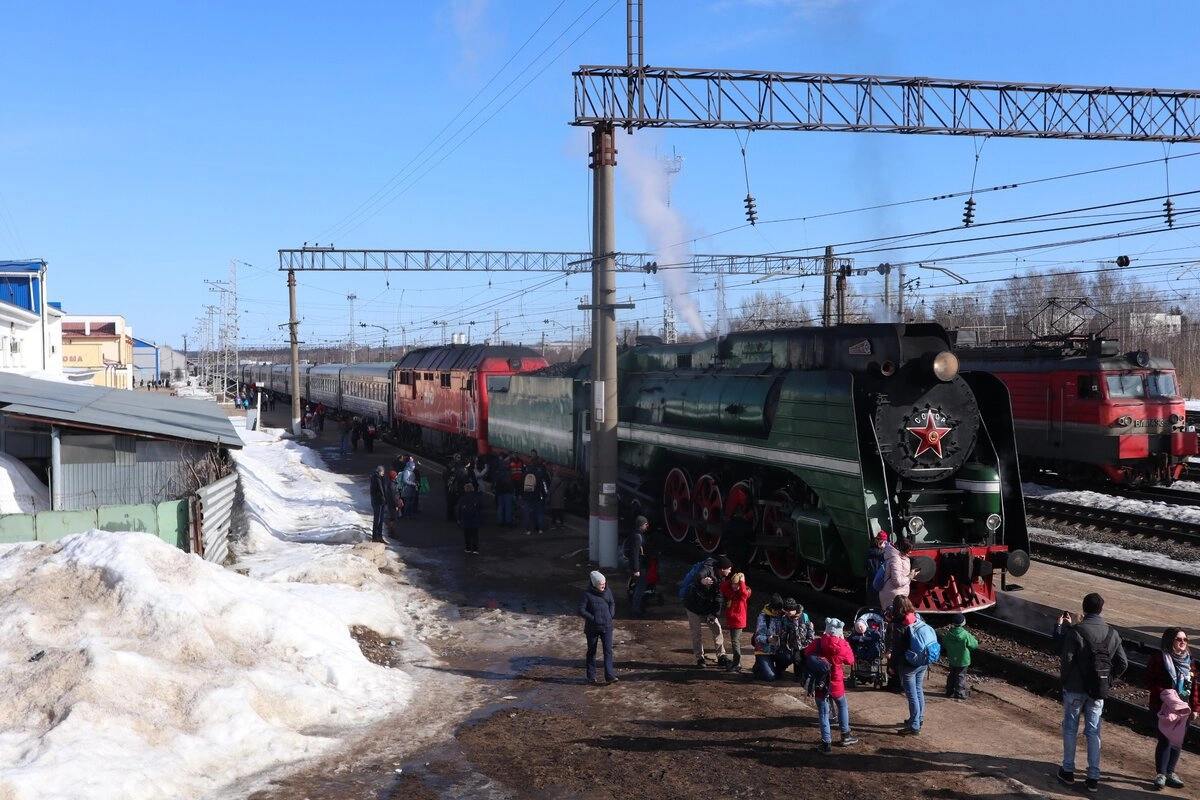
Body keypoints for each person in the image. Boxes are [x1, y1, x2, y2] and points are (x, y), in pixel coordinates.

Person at [1054, 592, 1129, 792]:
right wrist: (1108, 680)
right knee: (1094, 731)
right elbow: (1123, 663)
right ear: (1101, 610)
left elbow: (1067, 660)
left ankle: (1068, 771)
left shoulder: (1076, 632)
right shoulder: (1112, 633)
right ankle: (1093, 777)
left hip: (1075, 689)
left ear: (1084, 608)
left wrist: (1065, 681)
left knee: (1070, 729)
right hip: (1098, 690)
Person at [1143, 626, 1196, 791]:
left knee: (1177, 741)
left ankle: (1171, 772)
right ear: (1170, 641)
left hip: (1183, 707)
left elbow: (1194, 685)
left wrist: (1195, 707)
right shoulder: (1159, 658)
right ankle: (1161, 773)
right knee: (1165, 740)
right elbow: (1148, 680)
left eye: (1185, 639)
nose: (1182, 642)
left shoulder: (1189, 660)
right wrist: (1164, 693)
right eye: (1178, 639)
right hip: (1162, 706)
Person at [804, 617, 859, 754]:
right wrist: (844, 642)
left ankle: (826, 744)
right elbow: (850, 661)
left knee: (823, 713)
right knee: (842, 706)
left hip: (821, 682)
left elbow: (806, 653)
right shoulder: (843, 645)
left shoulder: (818, 643)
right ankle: (845, 735)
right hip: (836, 682)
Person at [682, 555, 732, 668]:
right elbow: (698, 576)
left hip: (707, 607)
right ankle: (700, 658)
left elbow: (719, 597)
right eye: (729, 569)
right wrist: (702, 581)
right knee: (696, 633)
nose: (730, 571)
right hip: (693, 606)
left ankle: (721, 655)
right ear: (722, 569)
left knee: (717, 629)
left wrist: (714, 614)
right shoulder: (707, 568)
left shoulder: (722, 579)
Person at [578, 571, 617, 686]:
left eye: (604, 583)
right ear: (595, 584)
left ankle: (610, 676)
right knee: (591, 651)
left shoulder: (607, 591)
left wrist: (611, 614)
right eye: (601, 584)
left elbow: (612, 602)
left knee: (608, 651)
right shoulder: (587, 595)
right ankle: (591, 676)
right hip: (592, 628)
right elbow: (581, 610)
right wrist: (593, 618)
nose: (604, 586)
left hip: (607, 626)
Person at [718, 568, 752, 673]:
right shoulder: (732, 593)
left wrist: (741, 582)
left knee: (735, 641)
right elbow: (722, 587)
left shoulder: (743, 594)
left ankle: (737, 663)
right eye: (733, 584)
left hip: (738, 622)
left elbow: (744, 593)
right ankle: (736, 662)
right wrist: (730, 580)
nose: (734, 586)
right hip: (732, 621)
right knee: (734, 641)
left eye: (736, 584)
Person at [942, 612, 978, 700]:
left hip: (952, 658)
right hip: (963, 660)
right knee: (960, 676)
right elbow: (974, 645)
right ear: (963, 623)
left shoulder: (949, 634)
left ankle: (949, 691)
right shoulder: (965, 634)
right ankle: (960, 693)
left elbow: (944, 643)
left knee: (951, 674)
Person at [878, 536, 915, 611]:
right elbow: (897, 582)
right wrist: (909, 577)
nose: (910, 552)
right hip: (893, 596)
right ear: (902, 549)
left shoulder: (899, 557)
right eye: (909, 550)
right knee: (894, 616)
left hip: (897, 594)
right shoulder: (896, 560)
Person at [626, 515, 651, 617]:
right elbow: (635, 554)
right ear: (641, 525)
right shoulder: (637, 537)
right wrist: (636, 569)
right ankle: (636, 609)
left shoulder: (637, 534)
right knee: (640, 587)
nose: (647, 526)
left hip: (639, 566)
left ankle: (636, 607)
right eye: (645, 524)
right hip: (640, 567)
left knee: (638, 587)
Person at [455, 482, 484, 554]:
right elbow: (481, 507)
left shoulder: (462, 498)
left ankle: (468, 548)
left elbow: (459, 509)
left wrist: (458, 518)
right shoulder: (476, 497)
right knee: (475, 535)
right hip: (475, 518)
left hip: (465, 519)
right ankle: (475, 549)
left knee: (467, 535)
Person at [864, 530, 888, 606]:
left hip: (871, 577)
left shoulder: (869, 551)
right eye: (885, 542)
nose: (886, 544)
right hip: (879, 578)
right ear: (881, 542)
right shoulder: (883, 554)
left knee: (871, 599)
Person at [368, 465, 391, 543]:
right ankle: (375, 537)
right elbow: (375, 492)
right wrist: (381, 497)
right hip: (377, 502)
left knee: (381, 520)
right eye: (382, 471)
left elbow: (383, 489)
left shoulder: (381, 478)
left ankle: (380, 536)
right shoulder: (375, 479)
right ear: (379, 471)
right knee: (377, 520)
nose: (383, 473)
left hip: (382, 501)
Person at [492, 455, 515, 526]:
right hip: (507, 491)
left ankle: (500, 521)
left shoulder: (498, 470)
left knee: (500, 507)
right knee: (508, 507)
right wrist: (512, 490)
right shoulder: (507, 471)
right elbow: (509, 482)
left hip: (499, 491)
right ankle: (508, 521)